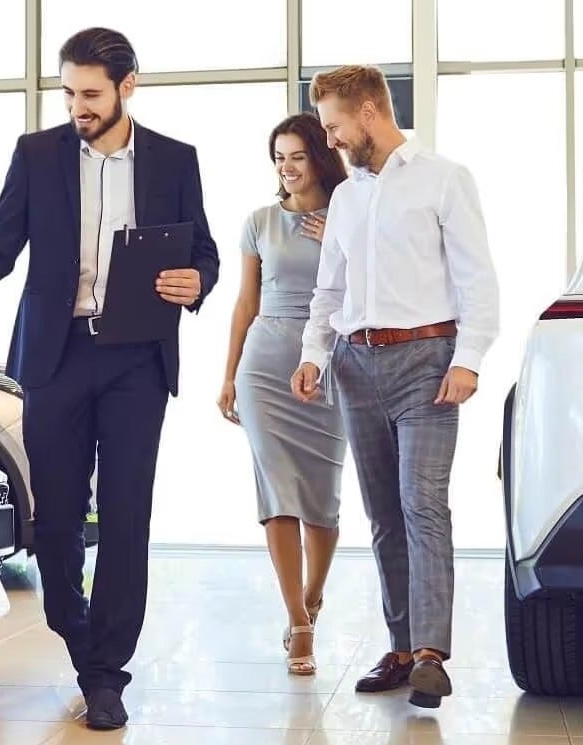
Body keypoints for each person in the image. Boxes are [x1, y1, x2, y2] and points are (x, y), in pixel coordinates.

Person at [0, 27, 220, 731]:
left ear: (128, 86)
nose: (76, 106)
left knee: (124, 516)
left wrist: (197, 280)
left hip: (136, 358)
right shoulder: (38, 154)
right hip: (56, 358)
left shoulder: (176, 160)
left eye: (90, 93)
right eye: (67, 92)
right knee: (55, 518)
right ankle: (77, 632)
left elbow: (202, 249)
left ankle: (106, 671)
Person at [288, 65, 499, 709]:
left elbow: (477, 278)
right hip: (356, 365)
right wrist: (313, 354)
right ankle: (403, 648)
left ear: (370, 112)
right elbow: (330, 289)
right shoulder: (349, 197)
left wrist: (469, 359)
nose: (331, 141)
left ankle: (433, 655)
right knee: (383, 516)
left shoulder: (444, 178)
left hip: (428, 365)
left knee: (421, 504)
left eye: (334, 126)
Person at [217, 112, 349, 677]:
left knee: (322, 497)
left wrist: (344, 240)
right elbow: (246, 304)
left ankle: (313, 597)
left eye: (297, 155)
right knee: (276, 490)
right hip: (265, 366)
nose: (287, 167)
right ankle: (297, 619)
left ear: (320, 156)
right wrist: (227, 375)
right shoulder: (259, 221)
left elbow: (376, 290)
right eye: (279, 157)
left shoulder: (352, 212)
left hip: (331, 366)